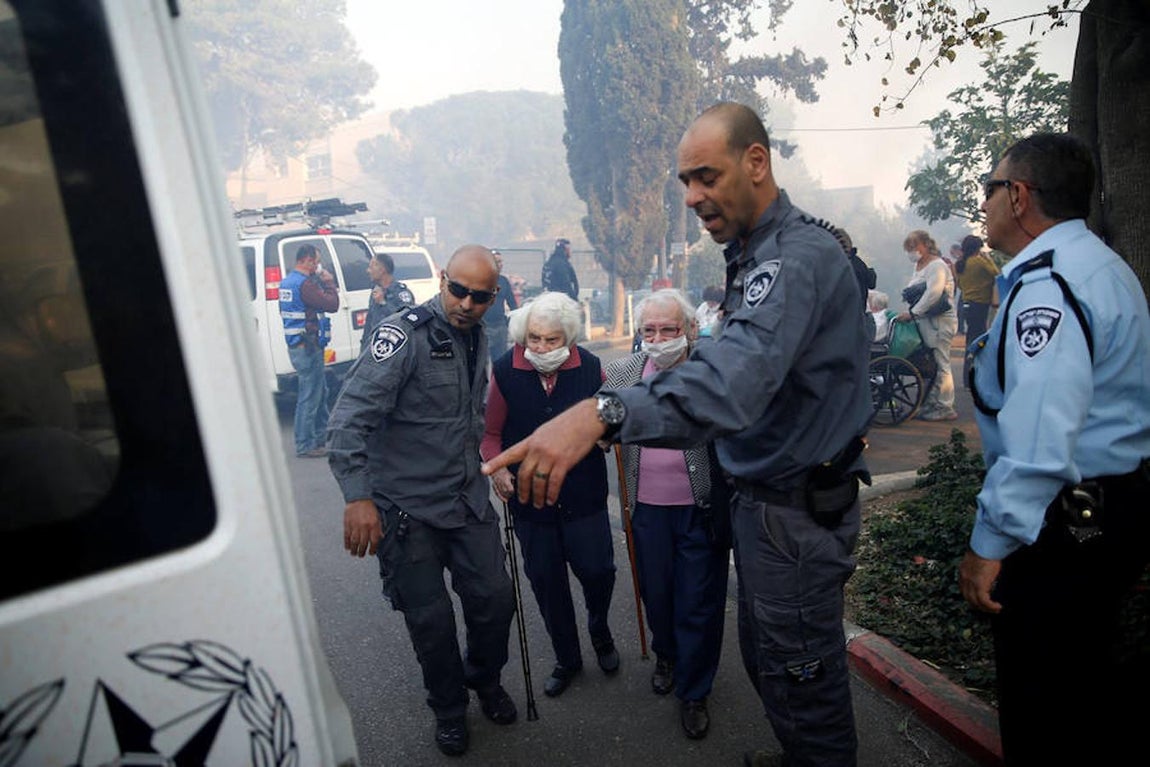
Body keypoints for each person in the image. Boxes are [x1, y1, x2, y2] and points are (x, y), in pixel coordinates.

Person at [482, 101, 873, 767]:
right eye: (684, 181)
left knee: (803, 673)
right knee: (767, 657)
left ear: (756, 162)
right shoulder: (756, 252)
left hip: (797, 511)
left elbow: (732, 378)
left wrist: (601, 414)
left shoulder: (795, 254)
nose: (692, 196)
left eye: (705, 176)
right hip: (763, 506)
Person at [958, 132, 1150, 766]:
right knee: (1087, 688)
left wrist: (991, 544)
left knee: (1044, 703)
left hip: (1064, 526)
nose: (982, 206)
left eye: (988, 189)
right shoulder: (1101, 265)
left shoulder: (1049, 286)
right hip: (1111, 505)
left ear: (1018, 196)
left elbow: (1039, 440)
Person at [327, 245, 518, 757]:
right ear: (442, 279)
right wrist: (357, 497)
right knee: (430, 621)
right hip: (407, 507)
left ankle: (484, 678)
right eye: (457, 289)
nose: (465, 303)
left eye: (479, 296)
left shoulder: (483, 333)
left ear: (492, 297)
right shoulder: (402, 335)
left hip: (465, 498)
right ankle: (449, 709)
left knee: (495, 600)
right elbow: (349, 419)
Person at [604, 288, 730, 740]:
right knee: (656, 594)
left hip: (700, 507)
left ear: (689, 330)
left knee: (698, 600)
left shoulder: (709, 371)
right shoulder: (624, 373)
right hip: (646, 508)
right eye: (649, 331)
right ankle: (667, 654)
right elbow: (601, 419)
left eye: (668, 329)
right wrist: (604, 432)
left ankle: (695, 691)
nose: (658, 339)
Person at [481, 291, 619, 700]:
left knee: (598, 572)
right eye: (534, 339)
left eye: (551, 340)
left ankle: (600, 628)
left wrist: (608, 435)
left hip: (584, 495)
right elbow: (490, 434)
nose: (540, 348)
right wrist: (499, 469)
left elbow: (611, 414)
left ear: (569, 338)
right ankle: (568, 658)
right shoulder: (506, 371)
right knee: (547, 582)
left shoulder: (591, 367)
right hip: (531, 501)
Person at [279, 243, 339, 457]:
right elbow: (332, 304)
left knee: (319, 392)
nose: (317, 265)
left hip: (298, 345)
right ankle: (306, 444)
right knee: (310, 397)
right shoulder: (305, 285)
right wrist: (329, 283)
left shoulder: (287, 283)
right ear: (306, 260)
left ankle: (321, 438)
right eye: (315, 261)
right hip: (308, 347)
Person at [895, 229, 958, 421]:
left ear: (925, 245)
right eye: (909, 249)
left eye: (914, 247)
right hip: (926, 322)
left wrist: (913, 313)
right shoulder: (920, 266)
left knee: (941, 362)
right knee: (932, 364)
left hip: (939, 322)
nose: (912, 252)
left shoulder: (937, 266)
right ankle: (931, 403)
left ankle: (945, 406)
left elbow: (933, 293)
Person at [953, 234, 999, 387]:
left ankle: (968, 377)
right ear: (977, 248)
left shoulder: (960, 264)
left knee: (970, 340)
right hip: (980, 305)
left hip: (967, 304)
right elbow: (996, 273)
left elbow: (959, 285)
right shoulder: (979, 262)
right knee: (979, 341)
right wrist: (988, 259)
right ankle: (977, 376)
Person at [360, 251, 415, 353]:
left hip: (395, 350)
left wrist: (383, 303)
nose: (368, 271)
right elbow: (369, 323)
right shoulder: (375, 291)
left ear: (382, 270)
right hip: (375, 348)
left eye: (371, 267)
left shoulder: (401, 293)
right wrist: (363, 350)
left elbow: (407, 321)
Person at [484, 249, 519, 362]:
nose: (500, 265)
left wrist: (515, 321)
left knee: (500, 361)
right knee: (482, 363)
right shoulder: (480, 280)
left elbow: (512, 303)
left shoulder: (503, 281)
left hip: (500, 326)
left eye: (501, 262)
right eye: (497, 262)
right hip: (484, 327)